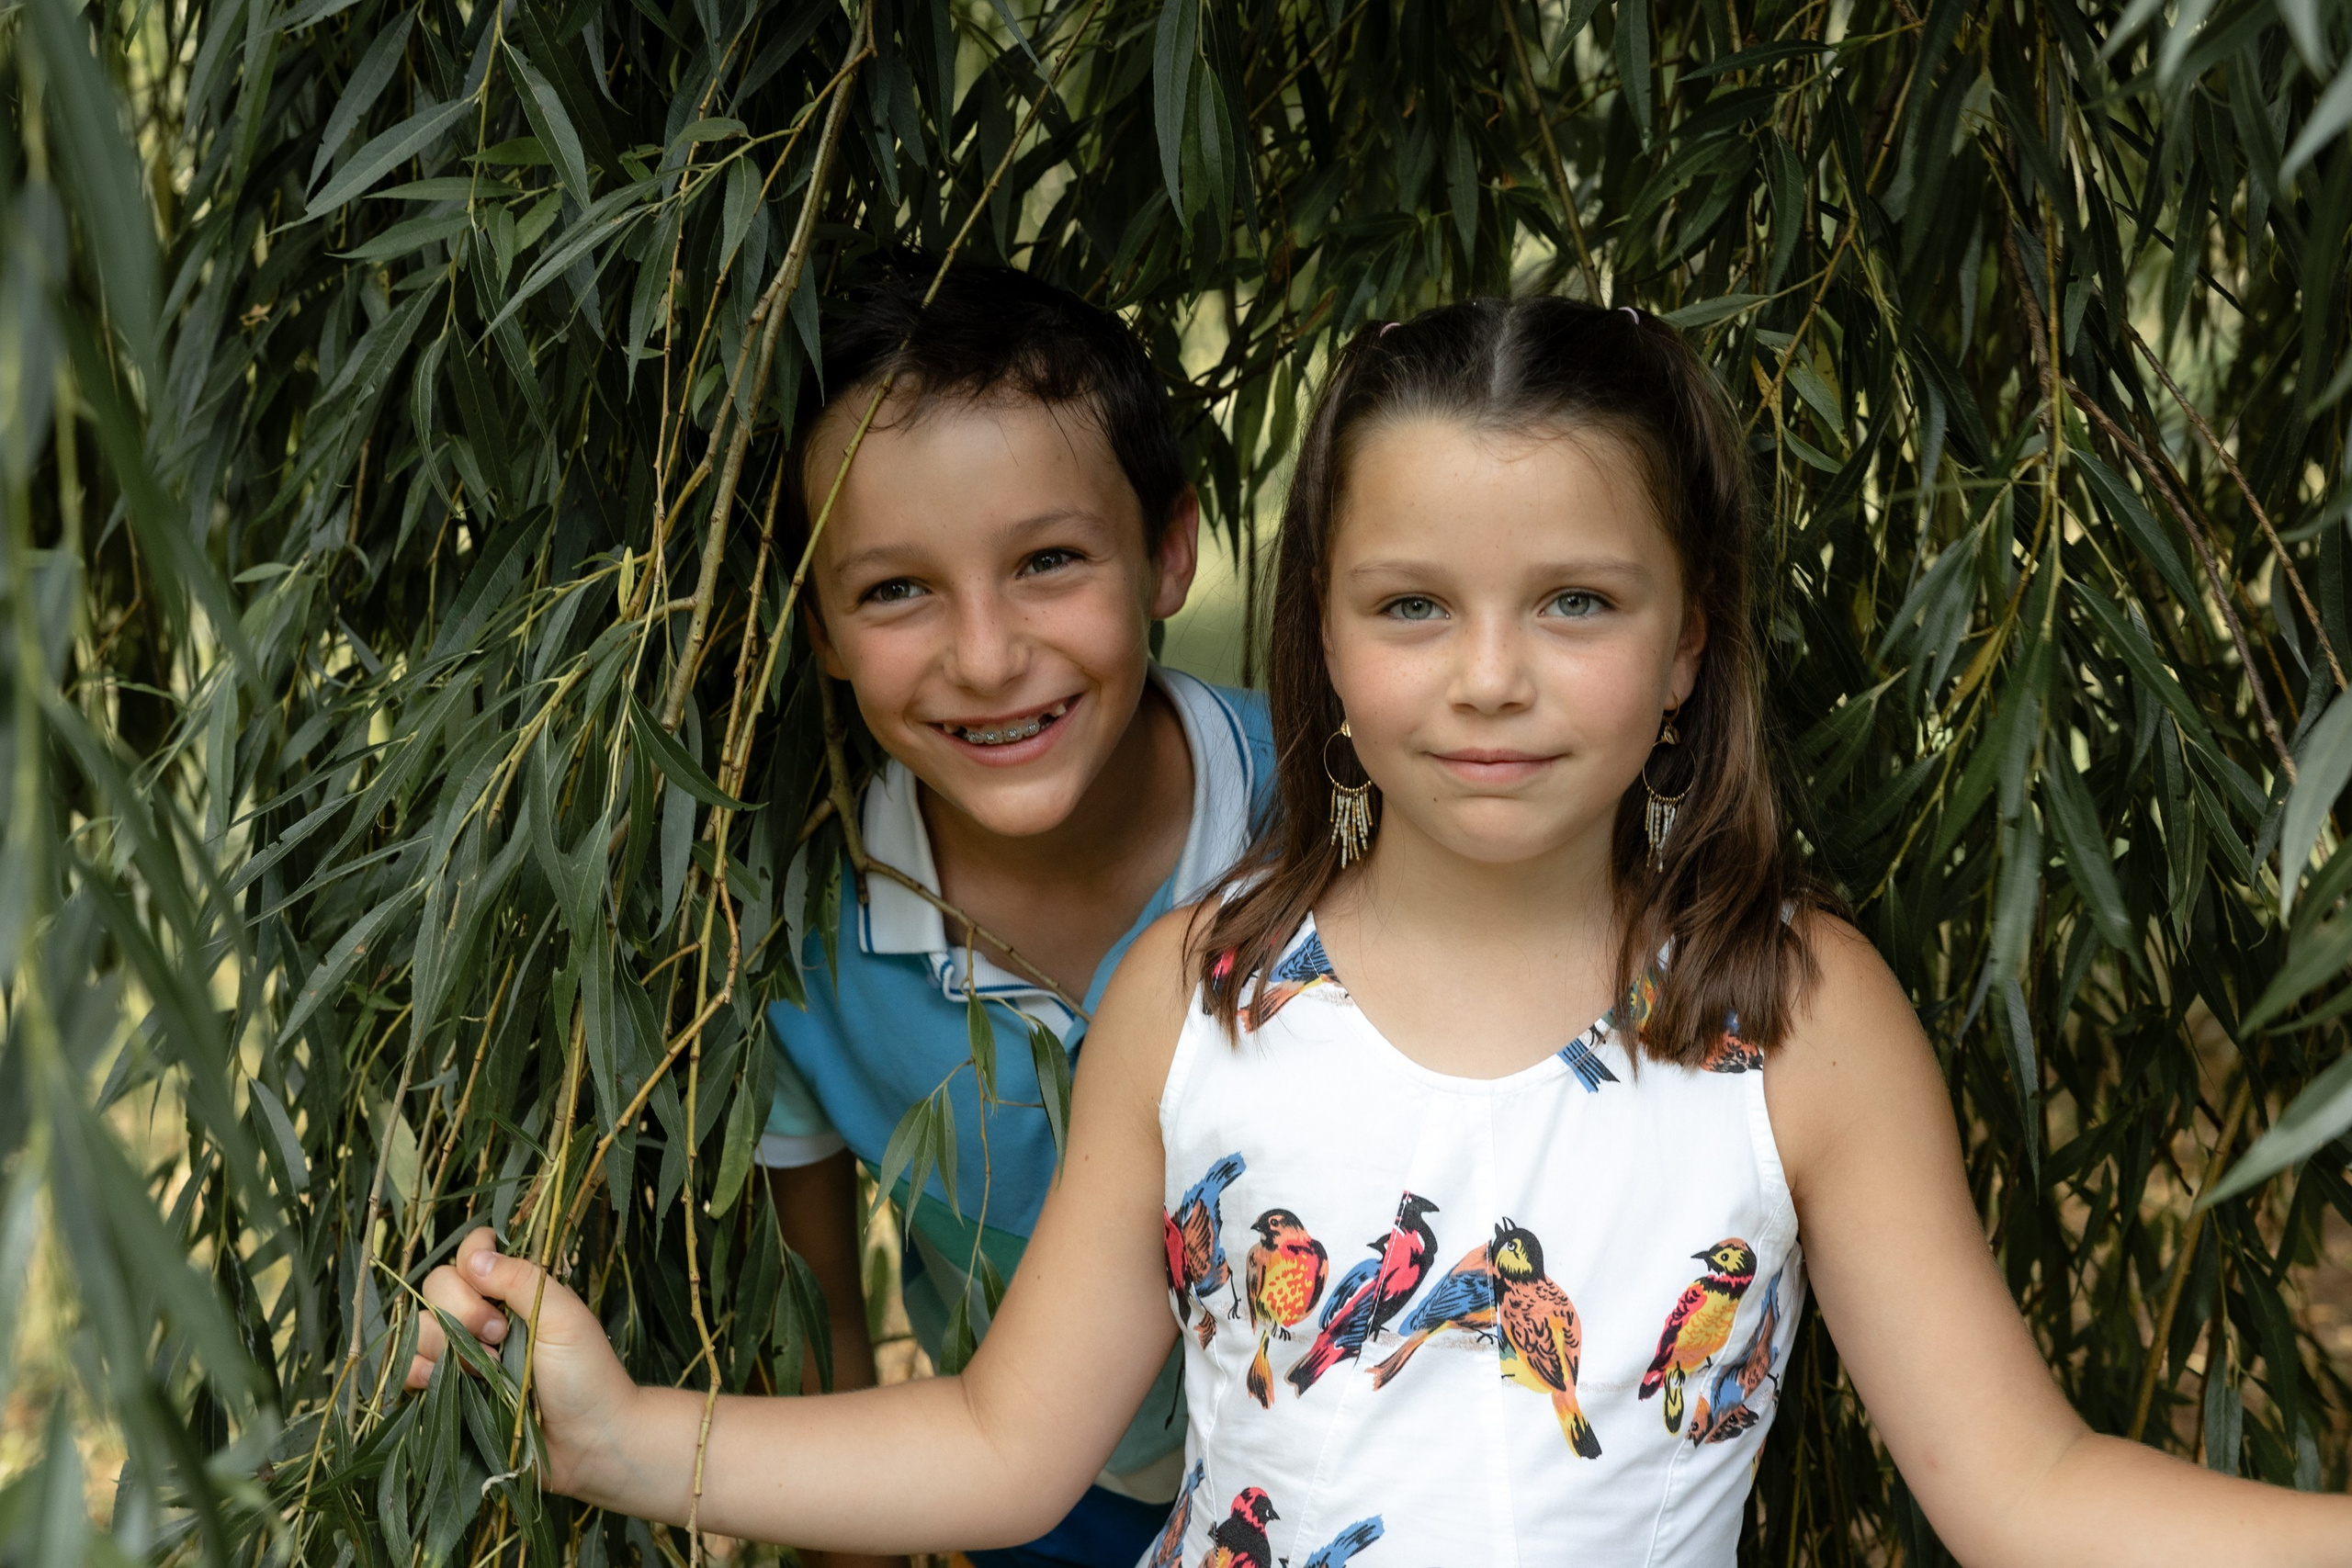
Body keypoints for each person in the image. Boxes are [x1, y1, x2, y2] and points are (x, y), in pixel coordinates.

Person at [410, 298, 2349, 1565]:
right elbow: (1011, 1443)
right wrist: (619, 1430)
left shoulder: (1794, 1018)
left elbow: (2020, 1490)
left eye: (1574, 602)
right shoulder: (1195, 998)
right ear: (1314, 636)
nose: (1489, 677)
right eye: (1411, 605)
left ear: (1685, 645)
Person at [736, 258, 1272, 1566]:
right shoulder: (800, 948)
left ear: (1168, 551)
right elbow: (826, 1348)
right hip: (1047, 1519)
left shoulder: (1329, 828)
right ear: (817, 625)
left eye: (1046, 561)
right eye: (895, 590)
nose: (984, 655)